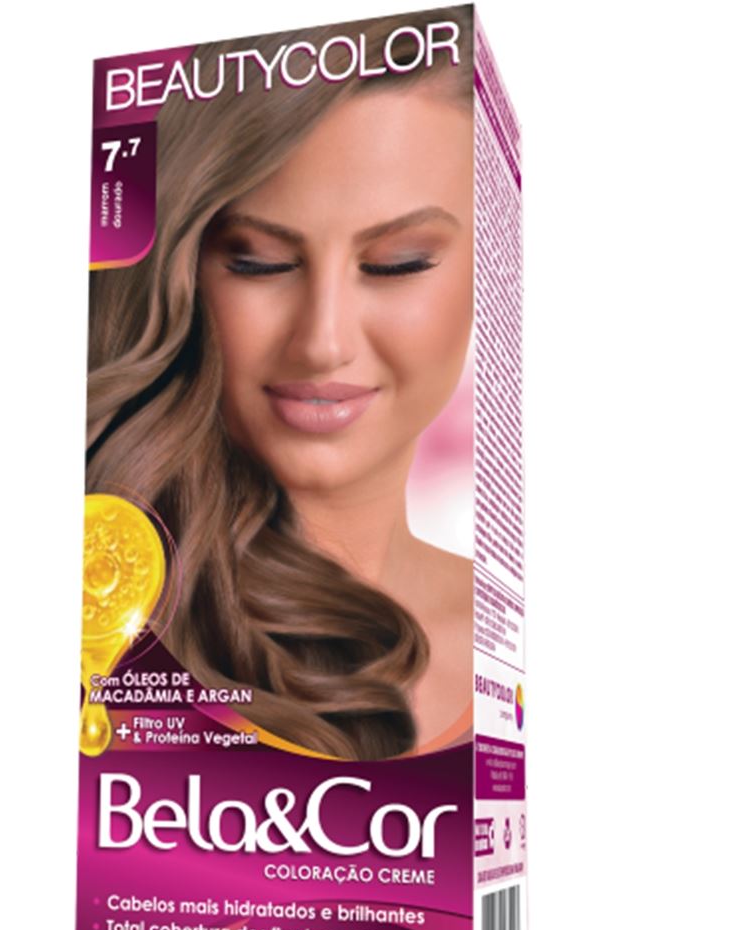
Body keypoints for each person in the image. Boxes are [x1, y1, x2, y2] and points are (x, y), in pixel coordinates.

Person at [86, 8, 474, 760]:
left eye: (396, 264)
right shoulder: (113, 615)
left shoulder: (510, 639)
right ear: (183, 274)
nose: (322, 342)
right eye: (259, 263)